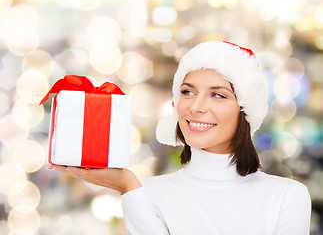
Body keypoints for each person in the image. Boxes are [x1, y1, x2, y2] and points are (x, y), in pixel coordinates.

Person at [47, 41, 311, 235]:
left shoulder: (286, 197)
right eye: (187, 92)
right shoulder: (144, 194)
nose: (196, 107)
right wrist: (128, 188)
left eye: (218, 94)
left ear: (245, 111)